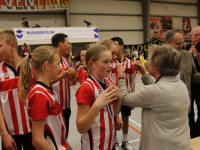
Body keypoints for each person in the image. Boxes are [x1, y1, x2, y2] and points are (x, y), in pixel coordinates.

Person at [117, 45, 191, 150]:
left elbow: (125, 98)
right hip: (181, 145)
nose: (147, 62)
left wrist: (120, 76)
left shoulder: (154, 91)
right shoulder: (180, 85)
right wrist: (144, 72)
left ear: (157, 67)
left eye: (149, 60)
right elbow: (159, 86)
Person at [19, 46, 69, 150]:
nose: (60, 68)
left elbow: (56, 130)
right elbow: (38, 140)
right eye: (58, 64)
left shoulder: (47, 90)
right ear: (47, 65)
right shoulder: (39, 94)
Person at [75, 45, 123, 150]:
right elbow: (81, 128)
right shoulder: (86, 87)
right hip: (95, 146)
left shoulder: (109, 82)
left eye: (111, 61)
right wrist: (96, 107)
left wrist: (120, 99)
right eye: (105, 62)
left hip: (109, 143)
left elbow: (113, 113)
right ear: (92, 64)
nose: (110, 65)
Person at [0, 28, 34, 150]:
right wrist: (4, 135)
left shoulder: (31, 68)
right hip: (11, 136)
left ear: (12, 45)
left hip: (34, 131)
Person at [51, 33, 76, 144]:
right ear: (61, 44)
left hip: (66, 107)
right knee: (55, 138)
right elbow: (43, 82)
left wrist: (73, 75)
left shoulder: (65, 61)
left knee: (64, 138)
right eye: (68, 43)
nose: (69, 45)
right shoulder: (49, 61)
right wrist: (61, 76)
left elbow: (72, 82)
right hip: (54, 108)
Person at [111, 37, 135, 150]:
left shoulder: (129, 62)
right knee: (113, 119)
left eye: (115, 45)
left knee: (126, 118)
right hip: (114, 97)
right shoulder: (111, 63)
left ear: (121, 46)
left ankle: (125, 141)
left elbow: (132, 81)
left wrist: (133, 97)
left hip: (125, 96)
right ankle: (114, 142)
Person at [184, 26, 200, 138]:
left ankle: (197, 132)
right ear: (191, 37)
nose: (198, 37)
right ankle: (193, 134)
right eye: (196, 35)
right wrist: (188, 55)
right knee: (189, 113)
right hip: (187, 86)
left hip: (199, 85)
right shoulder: (184, 49)